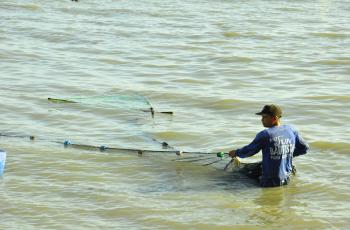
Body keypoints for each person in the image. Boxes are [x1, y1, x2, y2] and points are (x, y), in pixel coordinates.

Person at [228, 104, 309, 187]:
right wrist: (286, 155)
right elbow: (304, 148)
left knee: (233, 177)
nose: (261, 120)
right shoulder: (291, 129)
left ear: (274, 118)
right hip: (286, 177)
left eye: (264, 117)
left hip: (269, 181)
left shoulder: (265, 135)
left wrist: (236, 152)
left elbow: (249, 151)